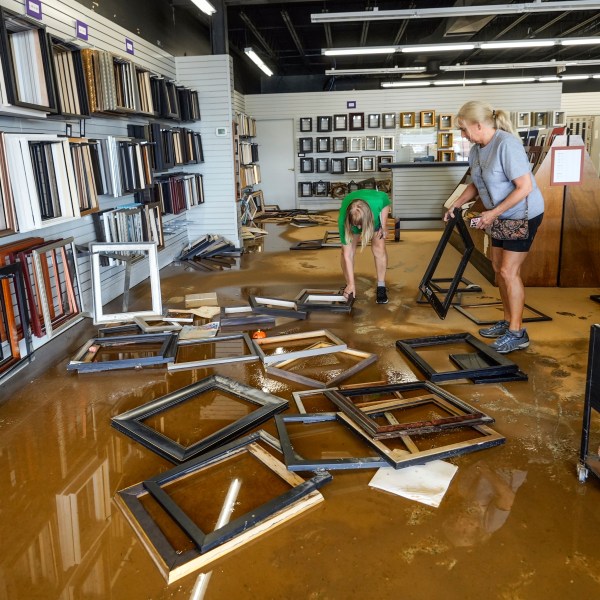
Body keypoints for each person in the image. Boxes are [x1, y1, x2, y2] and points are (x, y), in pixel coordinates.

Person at [444, 100, 544, 354]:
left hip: (521, 214)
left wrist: (492, 213)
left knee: (509, 271)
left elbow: (525, 187)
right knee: (498, 269)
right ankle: (509, 320)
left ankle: (517, 333)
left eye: (464, 129)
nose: (462, 134)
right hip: (498, 215)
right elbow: (475, 184)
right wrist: (455, 204)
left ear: (479, 125)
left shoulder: (506, 144)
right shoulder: (477, 149)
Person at [338, 188, 391, 304]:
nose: (360, 229)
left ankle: (381, 286)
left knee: (379, 248)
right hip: (354, 220)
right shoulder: (343, 220)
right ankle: (349, 286)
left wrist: (384, 224)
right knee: (345, 251)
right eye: (357, 225)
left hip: (372, 218)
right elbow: (348, 255)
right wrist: (352, 284)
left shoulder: (377, 202)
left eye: (361, 225)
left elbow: (385, 202)